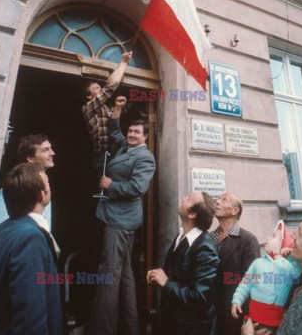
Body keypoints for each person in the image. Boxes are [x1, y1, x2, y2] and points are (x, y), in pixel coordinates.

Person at [90, 95, 156, 335]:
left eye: (137, 132)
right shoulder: (125, 148)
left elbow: (137, 189)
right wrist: (117, 109)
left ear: (145, 137)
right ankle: (131, 328)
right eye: (131, 130)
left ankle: (102, 331)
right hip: (117, 218)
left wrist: (110, 186)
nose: (131, 134)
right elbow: (115, 131)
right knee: (125, 276)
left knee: (109, 275)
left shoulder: (145, 157)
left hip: (120, 221)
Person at [0, 162, 62, 335]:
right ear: (42, 195)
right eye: (47, 183)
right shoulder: (30, 238)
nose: (50, 186)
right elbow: (30, 316)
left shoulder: (2, 231)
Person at [147, 191, 219, 335]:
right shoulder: (182, 236)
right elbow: (179, 275)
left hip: (192, 329)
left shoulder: (205, 248)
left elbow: (200, 297)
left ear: (192, 214)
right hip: (174, 324)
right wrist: (159, 277)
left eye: (189, 198)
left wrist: (166, 282)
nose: (184, 197)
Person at [231, 220, 302, 334]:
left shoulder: (287, 265)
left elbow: (297, 272)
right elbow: (245, 283)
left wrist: (291, 257)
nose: (268, 239)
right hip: (255, 311)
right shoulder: (258, 263)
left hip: (275, 317)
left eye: (274, 237)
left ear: (282, 245)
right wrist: (237, 300)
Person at [211, 192, 260, 335]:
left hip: (234, 313)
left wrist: (248, 318)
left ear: (234, 211)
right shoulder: (209, 237)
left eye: (223, 200)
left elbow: (253, 281)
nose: (217, 202)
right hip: (211, 312)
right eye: (218, 199)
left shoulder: (247, 240)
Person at [82, 51, 132, 185]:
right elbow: (109, 88)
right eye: (97, 88)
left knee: (115, 189)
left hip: (116, 155)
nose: (101, 89)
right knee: (103, 193)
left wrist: (120, 105)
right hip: (102, 157)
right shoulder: (88, 107)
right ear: (89, 96)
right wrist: (123, 62)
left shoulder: (106, 108)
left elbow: (122, 113)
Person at [0, 133, 55, 230]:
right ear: (31, 158)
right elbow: (5, 234)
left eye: (50, 148)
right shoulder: (13, 191)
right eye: (45, 150)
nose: (52, 153)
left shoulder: (45, 194)